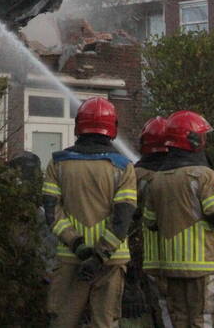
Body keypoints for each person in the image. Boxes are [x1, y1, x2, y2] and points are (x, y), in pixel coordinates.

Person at [42, 96, 137, 328]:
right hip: (111, 262)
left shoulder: (57, 164)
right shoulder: (123, 167)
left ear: (78, 126)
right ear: (112, 128)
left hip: (70, 259)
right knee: (104, 322)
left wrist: (79, 247)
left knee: (62, 321)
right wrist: (99, 256)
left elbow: (52, 213)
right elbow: (122, 220)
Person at [142, 110, 214, 328]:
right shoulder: (204, 175)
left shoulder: (157, 180)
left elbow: (150, 222)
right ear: (193, 139)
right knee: (204, 318)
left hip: (170, 264)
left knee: (179, 318)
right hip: (202, 263)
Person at [127, 116, 175, 328]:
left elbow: (124, 216)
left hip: (142, 255)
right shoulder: (182, 175)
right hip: (181, 255)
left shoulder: (134, 176)